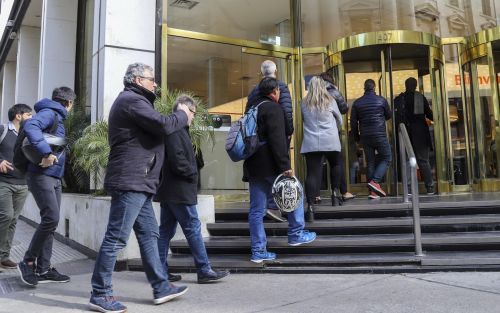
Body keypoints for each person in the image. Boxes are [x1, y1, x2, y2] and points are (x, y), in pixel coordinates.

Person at [88, 63, 192, 313]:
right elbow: (164, 125)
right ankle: (100, 293)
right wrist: (182, 115)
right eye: (151, 79)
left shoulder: (137, 101)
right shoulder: (131, 100)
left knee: (149, 235)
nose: (155, 84)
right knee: (116, 238)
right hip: (130, 180)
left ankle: (161, 286)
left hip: (140, 181)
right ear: (136, 79)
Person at [156, 94, 229, 284]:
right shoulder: (175, 129)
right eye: (192, 112)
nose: (193, 116)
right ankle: (204, 270)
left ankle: (160, 271)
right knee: (193, 229)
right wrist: (192, 174)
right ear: (182, 108)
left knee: (165, 231)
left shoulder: (179, 130)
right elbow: (177, 161)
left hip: (171, 191)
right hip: (179, 192)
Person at [244, 77, 316, 263]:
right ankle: (296, 233)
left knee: (256, 210)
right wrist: (285, 166)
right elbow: (278, 140)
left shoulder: (252, 107)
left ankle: (258, 251)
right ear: (274, 91)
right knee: (294, 193)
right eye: (279, 91)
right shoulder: (273, 108)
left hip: (253, 165)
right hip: (271, 164)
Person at [17, 87, 75, 286]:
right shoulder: (50, 113)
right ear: (68, 102)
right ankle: (28, 262)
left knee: (50, 222)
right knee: (51, 218)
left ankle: (43, 269)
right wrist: (45, 153)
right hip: (41, 176)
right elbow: (32, 126)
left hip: (53, 178)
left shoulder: (54, 115)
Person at [247, 60, 292, 223]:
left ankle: (258, 247)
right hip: (272, 145)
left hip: (253, 152)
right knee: (289, 186)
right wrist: (288, 132)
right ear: (276, 71)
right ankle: (293, 227)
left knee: (256, 207)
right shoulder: (280, 88)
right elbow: (286, 113)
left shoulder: (253, 92)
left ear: (261, 72)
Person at [301, 76, 343, 221]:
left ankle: (310, 207)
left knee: (312, 173)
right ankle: (335, 194)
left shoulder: (304, 103)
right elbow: (340, 119)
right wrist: (333, 129)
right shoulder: (330, 100)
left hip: (311, 142)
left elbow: (303, 120)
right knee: (336, 164)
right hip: (330, 139)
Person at [0, 104, 32, 270]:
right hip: (4, 182)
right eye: (29, 115)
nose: (31, 118)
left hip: (23, 184)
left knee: (13, 220)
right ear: (18, 116)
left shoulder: (28, 134)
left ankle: (4, 257)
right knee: (5, 215)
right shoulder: (3, 130)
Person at [350, 79, 392, 199]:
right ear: (374, 88)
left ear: (364, 88)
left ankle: (372, 192)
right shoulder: (381, 100)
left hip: (366, 137)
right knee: (387, 157)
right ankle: (375, 181)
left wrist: (356, 137)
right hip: (380, 135)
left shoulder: (357, 103)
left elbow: (353, 122)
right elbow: (388, 116)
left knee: (371, 162)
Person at [319, 72, 355, 202]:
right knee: (336, 163)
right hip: (331, 132)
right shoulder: (334, 92)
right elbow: (344, 109)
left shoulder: (314, 94)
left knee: (317, 165)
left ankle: (317, 194)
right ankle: (343, 192)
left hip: (315, 136)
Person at [395, 77, 434, 194]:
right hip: (420, 133)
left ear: (406, 85)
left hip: (405, 134)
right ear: (416, 86)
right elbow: (430, 115)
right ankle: (429, 187)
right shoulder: (420, 97)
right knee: (423, 161)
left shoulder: (399, 99)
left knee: (407, 161)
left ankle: (409, 188)